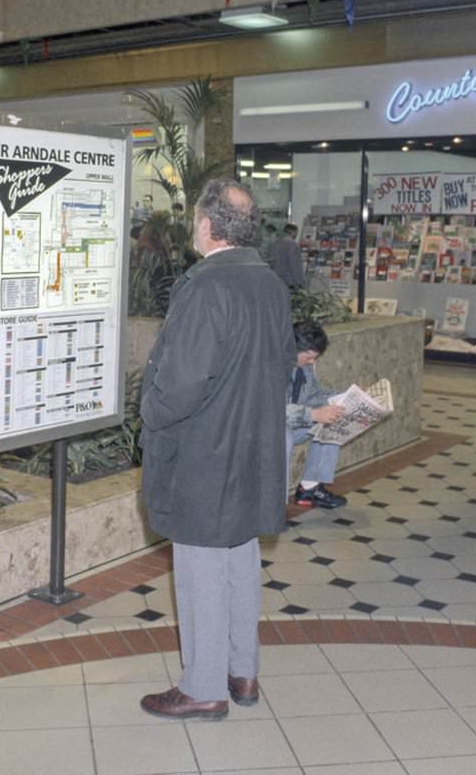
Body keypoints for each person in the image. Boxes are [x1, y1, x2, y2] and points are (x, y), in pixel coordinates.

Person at [139, 179, 296, 721]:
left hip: (206, 452)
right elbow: (281, 368)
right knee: (240, 556)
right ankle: (241, 670)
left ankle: (203, 686)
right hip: (255, 447)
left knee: (201, 565)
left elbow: (182, 384)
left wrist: (149, 415)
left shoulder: (206, 286)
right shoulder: (271, 284)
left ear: (205, 226)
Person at [286, 321, 348, 509]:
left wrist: (344, 397)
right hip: (268, 425)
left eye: (315, 358)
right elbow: (271, 409)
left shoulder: (304, 367)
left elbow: (314, 395)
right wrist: (313, 414)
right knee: (284, 437)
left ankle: (310, 487)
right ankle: (273, 503)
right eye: (308, 357)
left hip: (296, 419)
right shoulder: (270, 367)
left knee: (333, 418)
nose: (312, 362)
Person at [269, 221, 305, 287]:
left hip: (276, 279)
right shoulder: (292, 245)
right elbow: (295, 265)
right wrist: (300, 283)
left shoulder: (276, 243)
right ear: (293, 232)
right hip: (289, 282)